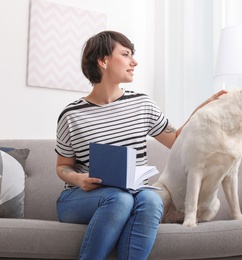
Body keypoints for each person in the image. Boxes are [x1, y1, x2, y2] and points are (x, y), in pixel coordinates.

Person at [55, 30, 226, 260]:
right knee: (118, 198)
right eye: (126, 55)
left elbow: (176, 140)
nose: (134, 61)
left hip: (131, 193)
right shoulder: (71, 115)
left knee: (151, 199)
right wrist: (80, 179)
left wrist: (202, 109)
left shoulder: (142, 104)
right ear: (103, 61)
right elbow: (63, 167)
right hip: (79, 198)